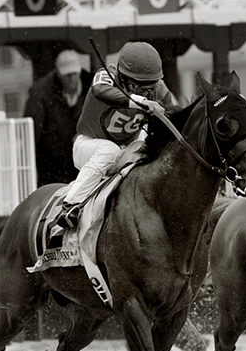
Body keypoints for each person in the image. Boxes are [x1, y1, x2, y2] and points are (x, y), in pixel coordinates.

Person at [54, 41, 175, 231]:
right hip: (88, 146)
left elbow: (176, 115)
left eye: (151, 86)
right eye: (141, 86)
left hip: (124, 151)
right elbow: (99, 90)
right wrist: (140, 102)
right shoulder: (107, 75)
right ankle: (70, 206)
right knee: (108, 150)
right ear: (124, 78)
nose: (148, 91)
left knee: (148, 151)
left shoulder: (158, 88)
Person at [25, 48, 92, 187]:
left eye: (75, 74)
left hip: (84, 165)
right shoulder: (41, 93)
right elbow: (32, 134)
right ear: (59, 75)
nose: (72, 79)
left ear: (80, 71)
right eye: (68, 75)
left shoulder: (94, 89)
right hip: (52, 168)